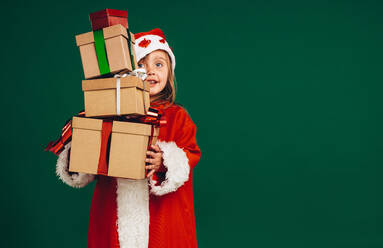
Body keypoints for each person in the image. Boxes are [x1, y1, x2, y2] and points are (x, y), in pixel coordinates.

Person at [56, 28, 201, 248]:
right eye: (141, 65)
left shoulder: (177, 117)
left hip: (161, 217)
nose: (150, 71)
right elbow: (87, 165)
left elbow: (189, 155)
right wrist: (81, 152)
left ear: (169, 72)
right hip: (113, 215)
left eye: (158, 64)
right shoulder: (109, 113)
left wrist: (165, 160)